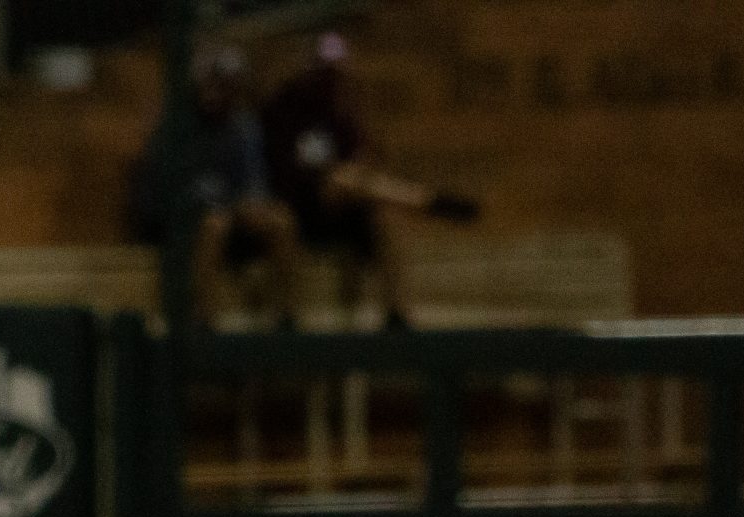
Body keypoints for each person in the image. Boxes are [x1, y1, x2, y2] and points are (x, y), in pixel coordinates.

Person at [260, 32, 480, 328]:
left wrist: (349, 177)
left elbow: (359, 161)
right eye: (325, 71)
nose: (330, 79)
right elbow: (283, 170)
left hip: (342, 209)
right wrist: (326, 181)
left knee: (382, 217)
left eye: (336, 72)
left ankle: (396, 315)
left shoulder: (342, 114)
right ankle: (427, 200)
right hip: (301, 208)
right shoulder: (284, 108)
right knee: (341, 183)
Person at [128, 46, 301, 325]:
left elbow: (254, 184)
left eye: (226, 84)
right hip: (184, 221)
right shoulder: (176, 126)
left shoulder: (243, 126)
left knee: (281, 221)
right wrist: (213, 206)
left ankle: (286, 316)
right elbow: (160, 194)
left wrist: (251, 204)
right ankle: (204, 319)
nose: (217, 91)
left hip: (233, 216)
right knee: (214, 224)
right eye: (213, 82)